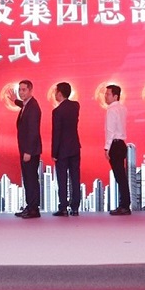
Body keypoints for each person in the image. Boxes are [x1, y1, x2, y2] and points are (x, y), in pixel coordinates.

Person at [51, 82, 81, 217]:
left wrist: (54, 152)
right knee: (75, 178)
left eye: (55, 92)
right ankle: (75, 207)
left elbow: (56, 133)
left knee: (62, 179)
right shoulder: (75, 106)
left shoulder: (57, 111)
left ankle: (63, 207)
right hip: (75, 147)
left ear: (59, 94)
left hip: (62, 150)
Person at [15, 79, 43, 219]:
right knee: (27, 178)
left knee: (31, 179)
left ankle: (33, 209)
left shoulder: (33, 107)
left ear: (30, 90)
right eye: (19, 90)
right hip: (26, 149)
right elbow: (22, 105)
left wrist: (28, 151)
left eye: (24, 90)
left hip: (30, 151)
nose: (21, 92)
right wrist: (15, 100)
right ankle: (30, 206)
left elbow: (33, 131)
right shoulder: (27, 105)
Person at [104, 84, 131, 215]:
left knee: (120, 177)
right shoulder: (123, 108)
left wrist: (106, 147)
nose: (105, 96)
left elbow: (110, 130)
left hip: (114, 144)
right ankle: (125, 204)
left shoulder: (111, 110)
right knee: (121, 176)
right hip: (121, 144)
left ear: (115, 96)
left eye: (108, 94)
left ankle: (124, 205)